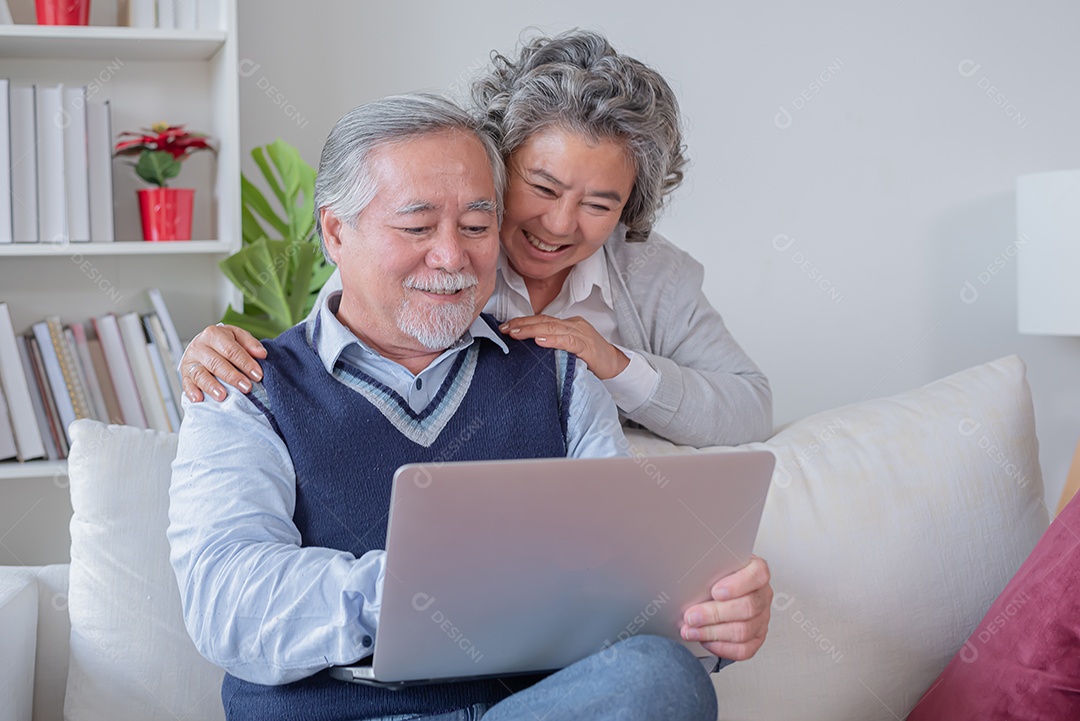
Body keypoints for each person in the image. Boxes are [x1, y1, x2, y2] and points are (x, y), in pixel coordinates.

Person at [168, 94, 772, 721]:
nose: (452, 256)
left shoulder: (563, 378)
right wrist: (417, 591)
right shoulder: (243, 385)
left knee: (660, 676)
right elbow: (225, 604)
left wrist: (707, 620)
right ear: (335, 232)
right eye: (417, 226)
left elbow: (623, 589)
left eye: (478, 227)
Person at [178, 29, 772, 449]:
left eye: (600, 203)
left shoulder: (654, 274)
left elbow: (750, 408)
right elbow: (330, 369)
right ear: (493, 169)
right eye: (541, 186)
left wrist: (615, 366)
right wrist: (214, 352)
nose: (561, 224)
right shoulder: (432, 267)